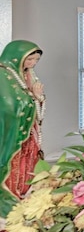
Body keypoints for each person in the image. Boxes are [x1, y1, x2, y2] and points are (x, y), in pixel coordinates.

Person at [0, 40, 45, 217]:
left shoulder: (28, 75)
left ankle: (24, 193)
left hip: (28, 130)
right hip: (11, 133)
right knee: (13, 163)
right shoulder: (4, 75)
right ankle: (11, 194)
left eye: (36, 60)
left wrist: (38, 97)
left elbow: (36, 103)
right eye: (29, 60)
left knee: (28, 160)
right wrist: (32, 97)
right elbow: (8, 105)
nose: (33, 64)